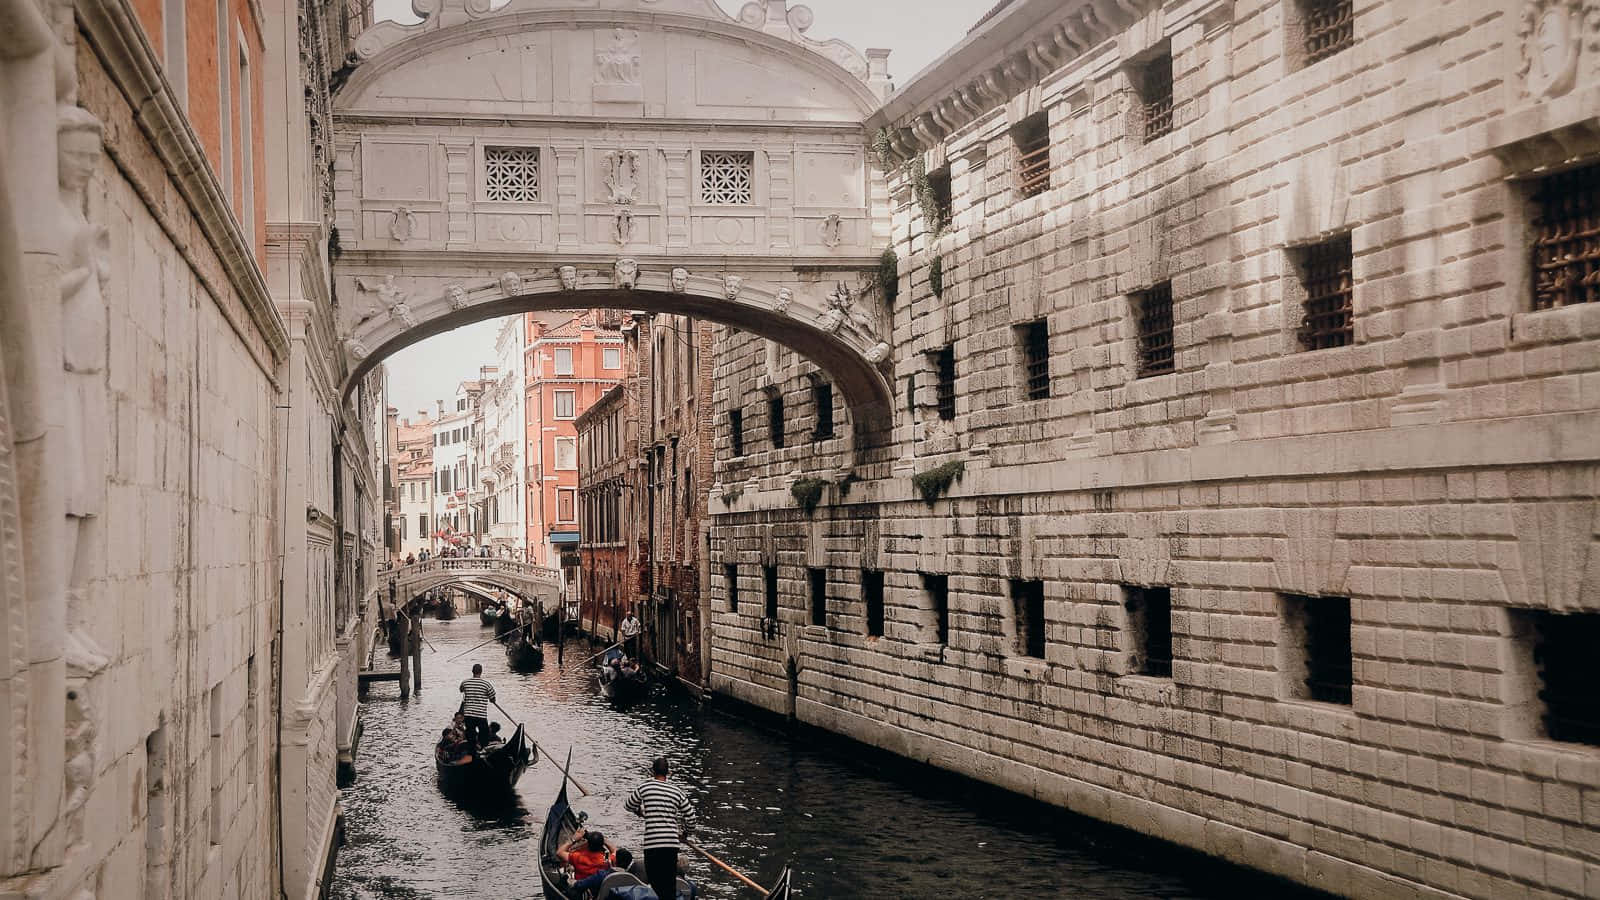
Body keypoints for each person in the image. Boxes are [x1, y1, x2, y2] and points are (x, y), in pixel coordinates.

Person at [625, 757, 693, 900]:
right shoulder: (676, 791)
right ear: (668, 773)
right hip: (671, 845)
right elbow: (691, 816)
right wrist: (685, 834)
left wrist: (639, 810)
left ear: (652, 771)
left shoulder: (645, 787)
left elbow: (628, 805)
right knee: (669, 885)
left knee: (655, 885)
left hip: (653, 846)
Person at [458, 663, 496, 746]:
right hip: (481, 715)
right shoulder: (486, 684)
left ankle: (472, 751)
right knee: (484, 734)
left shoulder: (465, 682)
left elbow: (461, 690)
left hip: (468, 714)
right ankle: (482, 749)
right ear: (481, 672)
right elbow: (492, 698)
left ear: (472, 671)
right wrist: (491, 699)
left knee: (470, 734)